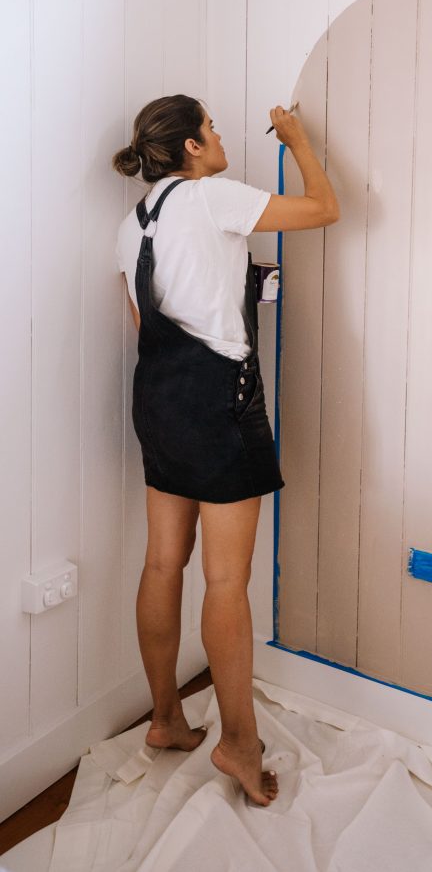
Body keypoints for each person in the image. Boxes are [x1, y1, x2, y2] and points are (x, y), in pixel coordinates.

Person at [112, 94, 338, 806]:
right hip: (219, 404)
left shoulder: (131, 224)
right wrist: (299, 138)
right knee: (226, 582)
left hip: (159, 401)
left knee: (160, 561)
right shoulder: (212, 198)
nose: (218, 134)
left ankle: (165, 718)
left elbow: (140, 322)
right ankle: (238, 742)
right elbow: (325, 206)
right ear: (188, 147)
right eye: (208, 126)